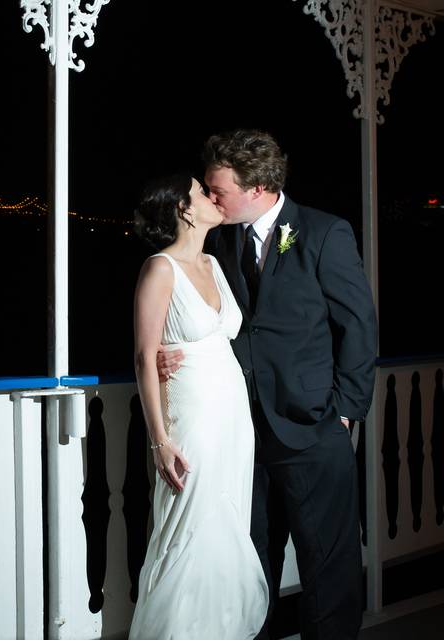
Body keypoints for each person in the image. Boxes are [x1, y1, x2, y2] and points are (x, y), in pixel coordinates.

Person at [158, 129, 378, 639]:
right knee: (252, 562)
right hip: (242, 434)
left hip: (312, 428)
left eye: (219, 191)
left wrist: (345, 410)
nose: (211, 200)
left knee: (328, 566)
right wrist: (177, 356)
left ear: (257, 188)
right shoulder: (221, 242)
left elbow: (358, 327)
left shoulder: (324, 233)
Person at [129, 172, 269, 639]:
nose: (212, 197)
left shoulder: (212, 262)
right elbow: (145, 356)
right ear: (183, 210)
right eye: (200, 193)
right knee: (189, 533)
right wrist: (160, 441)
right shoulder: (159, 268)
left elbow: (223, 338)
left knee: (228, 532)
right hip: (192, 419)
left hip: (232, 419)